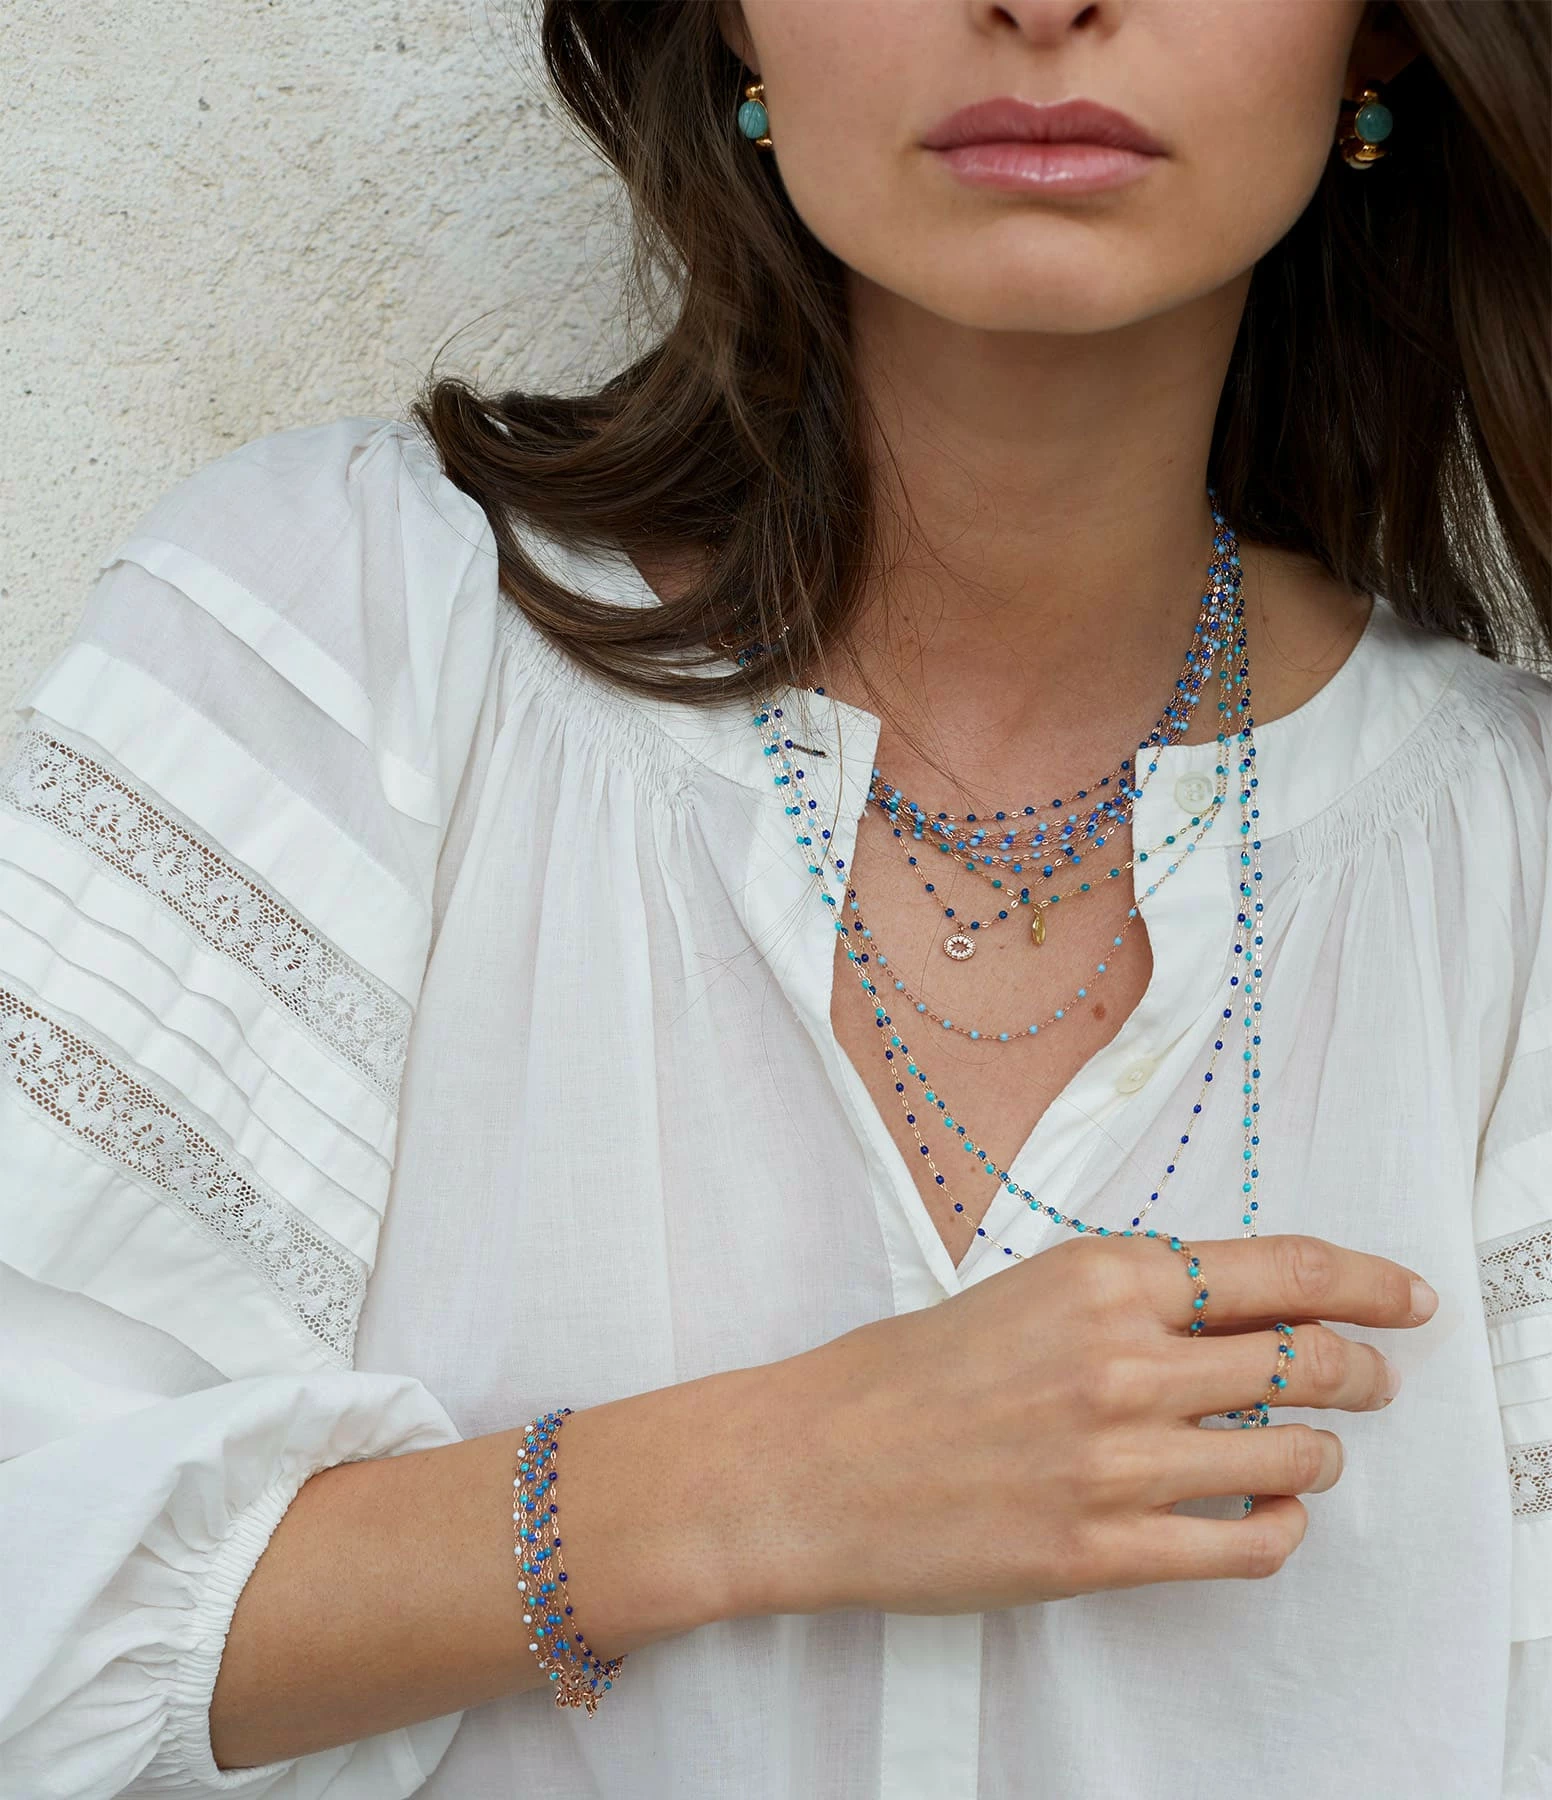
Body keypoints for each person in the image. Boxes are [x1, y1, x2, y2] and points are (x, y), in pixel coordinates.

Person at [2, 1, 1548, 1795]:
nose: (1041, 3)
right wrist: (782, 1475)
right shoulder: (344, 643)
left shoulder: (1510, 858)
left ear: (1379, 41)